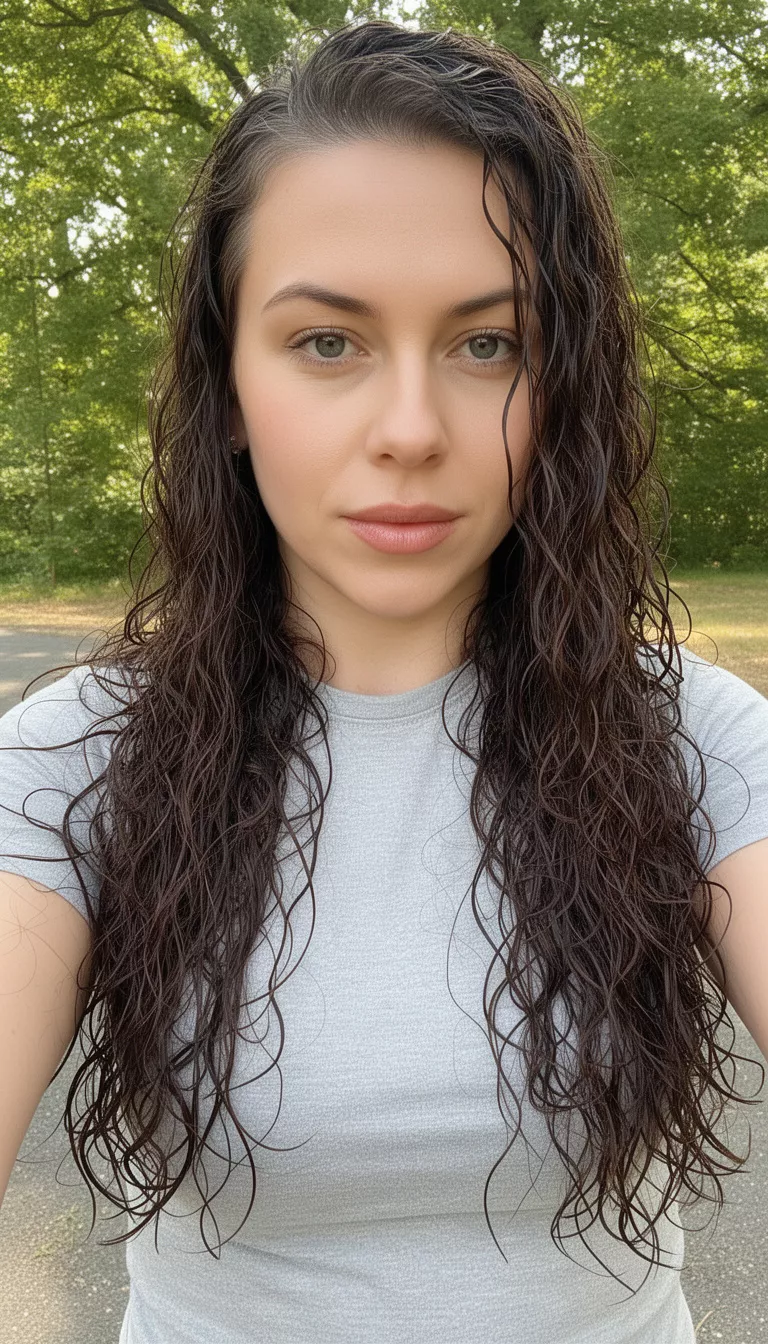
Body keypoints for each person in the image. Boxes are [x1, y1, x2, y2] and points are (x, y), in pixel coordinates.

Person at [0, 18, 767, 1344]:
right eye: (327, 344)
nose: (411, 430)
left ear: (563, 380)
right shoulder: (78, 760)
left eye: (489, 346)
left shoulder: (697, 738)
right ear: (228, 383)